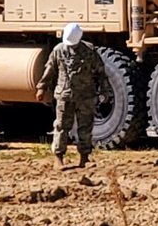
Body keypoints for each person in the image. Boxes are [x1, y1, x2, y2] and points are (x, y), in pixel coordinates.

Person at [35, 23, 112, 169]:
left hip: (86, 95)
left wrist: (105, 90)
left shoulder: (89, 51)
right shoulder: (59, 50)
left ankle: (84, 158)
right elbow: (49, 69)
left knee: (86, 127)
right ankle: (58, 158)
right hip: (65, 95)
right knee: (61, 126)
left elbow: (101, 73)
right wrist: (41, 87)